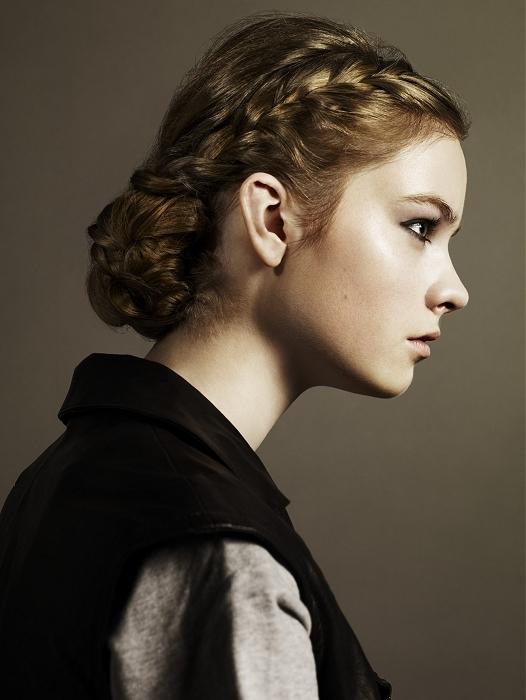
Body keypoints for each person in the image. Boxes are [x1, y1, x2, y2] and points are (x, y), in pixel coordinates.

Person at [0, 10, 471, 699]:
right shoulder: (218, 550)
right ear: (272, 219)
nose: (454, 290)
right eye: (419, 226)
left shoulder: (59, 478)